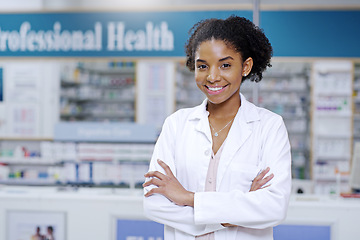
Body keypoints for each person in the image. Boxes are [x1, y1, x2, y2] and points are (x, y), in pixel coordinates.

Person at [143, 15, 291, 240]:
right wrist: (236, 211)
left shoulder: (269, 127)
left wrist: (189, 198)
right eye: (202, 66)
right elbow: (154, 204)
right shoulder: (176, 125)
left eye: (225, 65)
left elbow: (274, 207)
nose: (212, 77)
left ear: (246, 66)